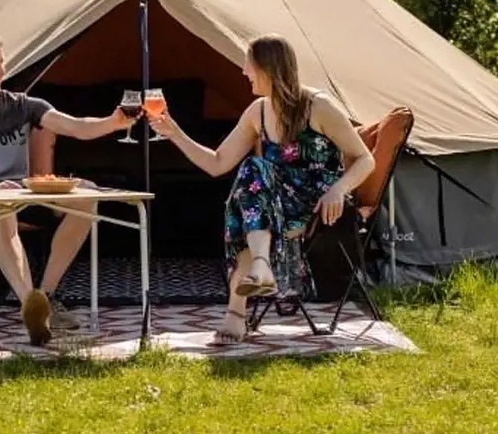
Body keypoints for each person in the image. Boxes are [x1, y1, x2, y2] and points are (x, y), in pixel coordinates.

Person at [148, 34, 375, 344]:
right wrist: (174, 133)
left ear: (270, 69)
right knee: (248, 189)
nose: (244, 72)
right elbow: (217, 163)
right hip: (271, 202)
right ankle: (258, 273)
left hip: (315, 203)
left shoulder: (318, 107)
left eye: (249, 66)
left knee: (252, 175)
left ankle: (243, 300)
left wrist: (339, 189)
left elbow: (365, 159)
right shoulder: (258, 111)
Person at [0, 32, 138, 346]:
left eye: (2, 62)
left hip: (24, 194)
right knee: (3, 209)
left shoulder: (23, 106)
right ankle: (29, 303)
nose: (0, 71)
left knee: (88, 198)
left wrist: (113, 123)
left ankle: (44, 297)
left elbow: (74, 126)